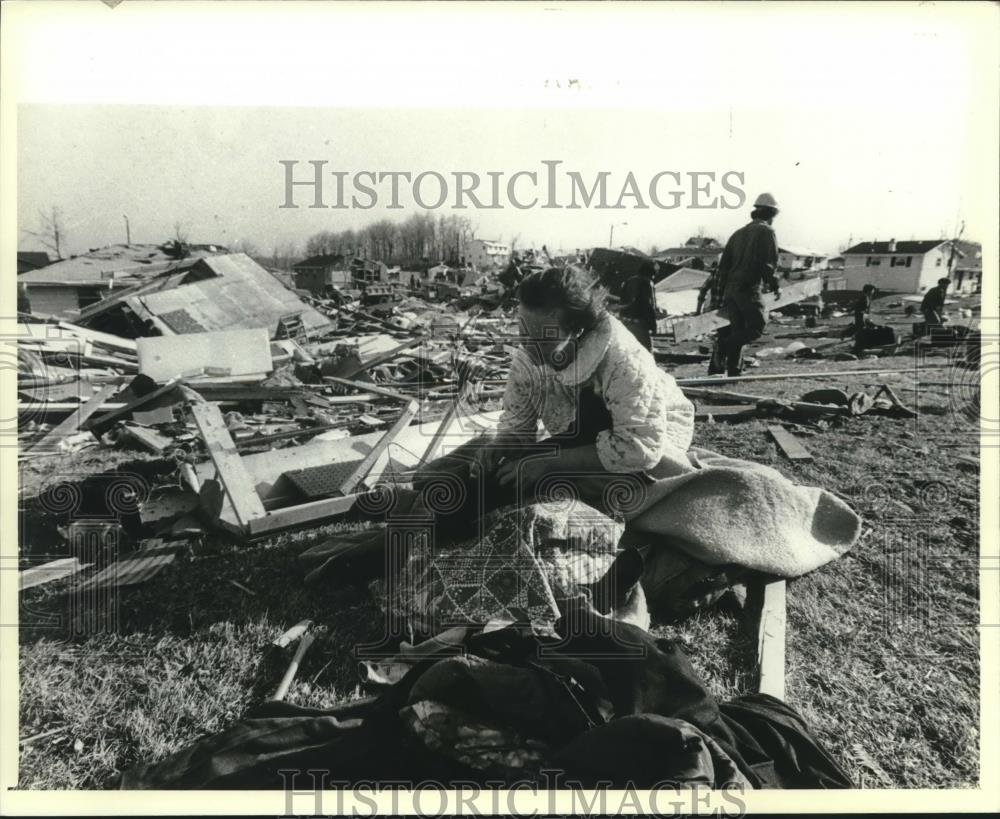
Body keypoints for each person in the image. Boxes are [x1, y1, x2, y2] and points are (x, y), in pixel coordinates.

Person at [708, 193, 782, 376]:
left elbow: (723, 266)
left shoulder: (738, 233)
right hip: (749, 288)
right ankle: (723, 346)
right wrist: (774, 285)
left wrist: (723, 293)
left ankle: (734, 371)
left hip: (731, 290)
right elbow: (768, 263)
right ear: (771, 214)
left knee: (738, 330)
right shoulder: (766, 231)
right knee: (757, 327)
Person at [619, 260, 659, 350]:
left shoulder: (629, 281)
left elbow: (622, 301)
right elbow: (649, 305)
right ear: (651, 273)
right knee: (646, 352)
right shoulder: (647, 283)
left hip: (626, 322)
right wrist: (653, 325)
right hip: (640, 325)